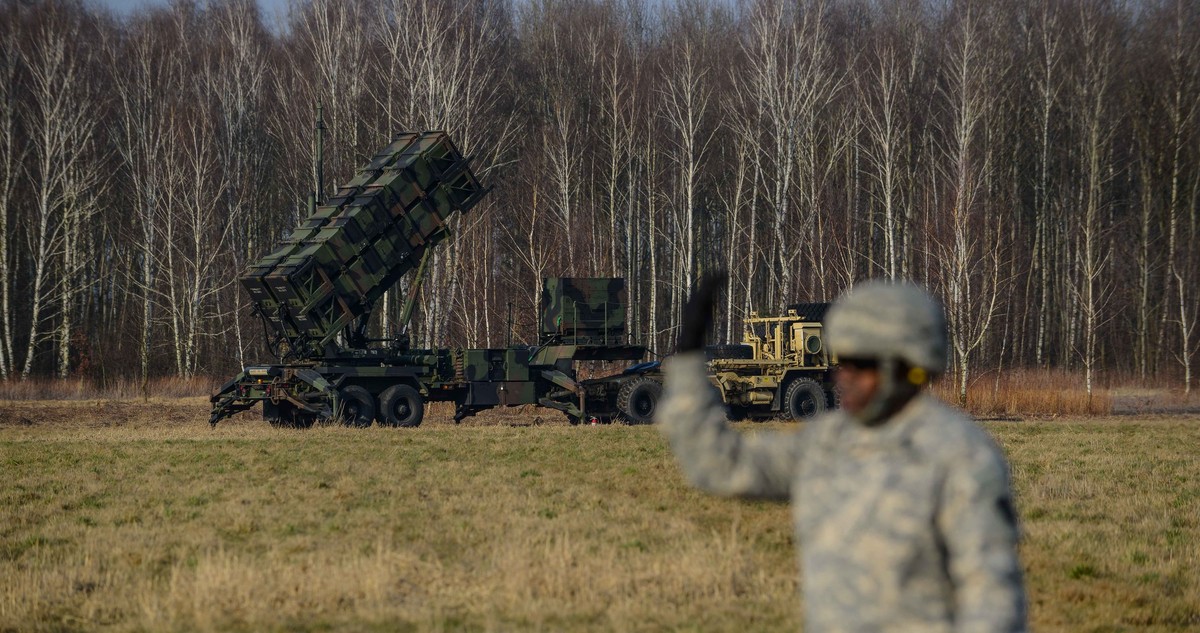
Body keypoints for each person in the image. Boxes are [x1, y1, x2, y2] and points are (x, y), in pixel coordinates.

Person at [656, 274, 1027, 633]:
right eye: (843, 360)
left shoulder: (959, 455)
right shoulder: (827, 442)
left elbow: (992, 600)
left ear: (907, 367)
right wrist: (688, 365)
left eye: (861, 364)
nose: (842, 375)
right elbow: (721, 465)